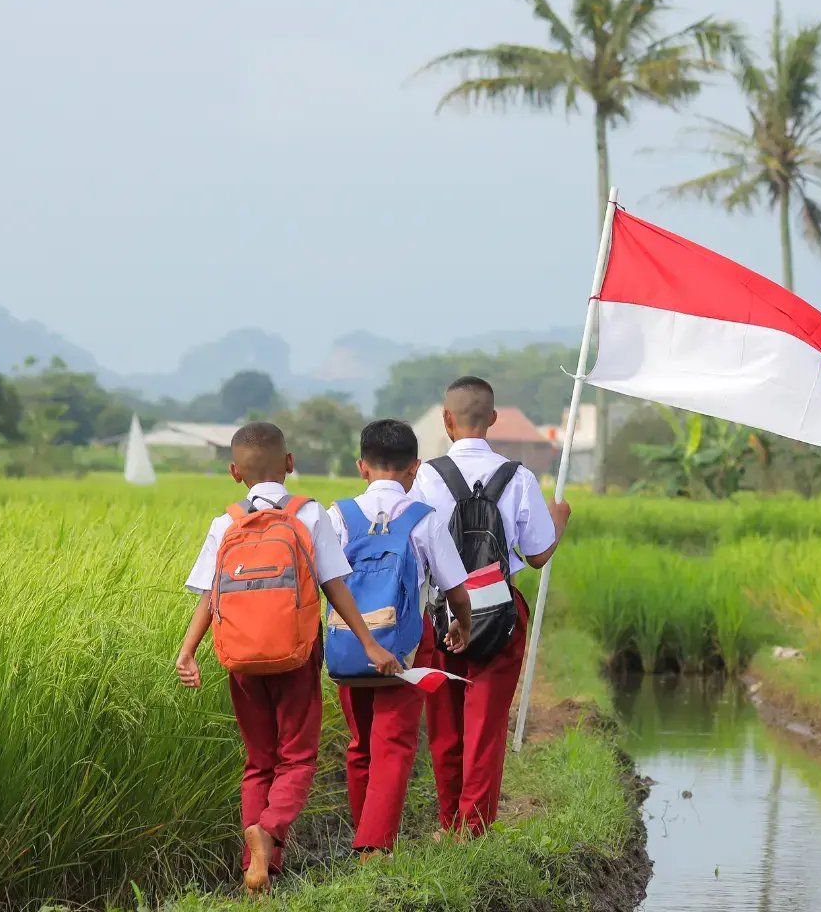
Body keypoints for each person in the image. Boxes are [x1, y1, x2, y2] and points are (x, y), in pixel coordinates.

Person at [173, 421, 403, 893]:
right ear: (290, 463)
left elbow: (209, 594)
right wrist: (370, 643)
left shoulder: (226, 522)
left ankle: (256, 867)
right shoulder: (309, 514)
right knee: (297, 758)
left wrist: (188, 651)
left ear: (235, 472)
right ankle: (271, 829)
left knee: (259, 762)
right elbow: (335, 585)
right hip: (296, 657)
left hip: (239, 660)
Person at [411, 376, 570, 836]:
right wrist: (559, 522)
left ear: (446, 420)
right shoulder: (518, 477)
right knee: (485, 725)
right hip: (501, 614)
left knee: (444, 724)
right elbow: (538, 555)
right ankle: (473, 828)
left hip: (442, 611)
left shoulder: (424, 476)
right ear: (494, 420)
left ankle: (448, 821)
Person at [325, 419, 474, 856]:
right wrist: (460, 624)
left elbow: (326, 579)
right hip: (407, 643)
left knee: (360, 743)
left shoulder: (338, 516)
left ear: (362, 467)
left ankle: (365, 830)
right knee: (394, 742)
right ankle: (374, 844)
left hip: (349, 639)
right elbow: (455, 590)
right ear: (415, 468)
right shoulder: (421, 520)